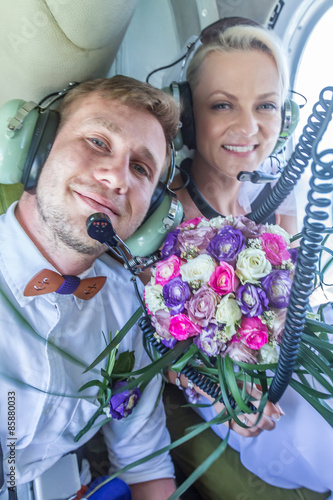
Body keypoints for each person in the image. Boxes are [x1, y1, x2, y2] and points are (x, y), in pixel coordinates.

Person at [162, 21, 332, 500]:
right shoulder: (160, 216)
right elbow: (161, 353)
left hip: (295, 347)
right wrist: (226, 393)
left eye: (266, 106)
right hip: (235, 383)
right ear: (188, 116)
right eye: (222, 105)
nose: (250, 128)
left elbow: (296, 296)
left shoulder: (276, 190)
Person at [0, 75, 181, 500]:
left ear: (151, 216)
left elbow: (146, 464)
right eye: (98, 142)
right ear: (35, 150)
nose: (117, 178)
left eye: (140, 168)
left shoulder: (130, 312)